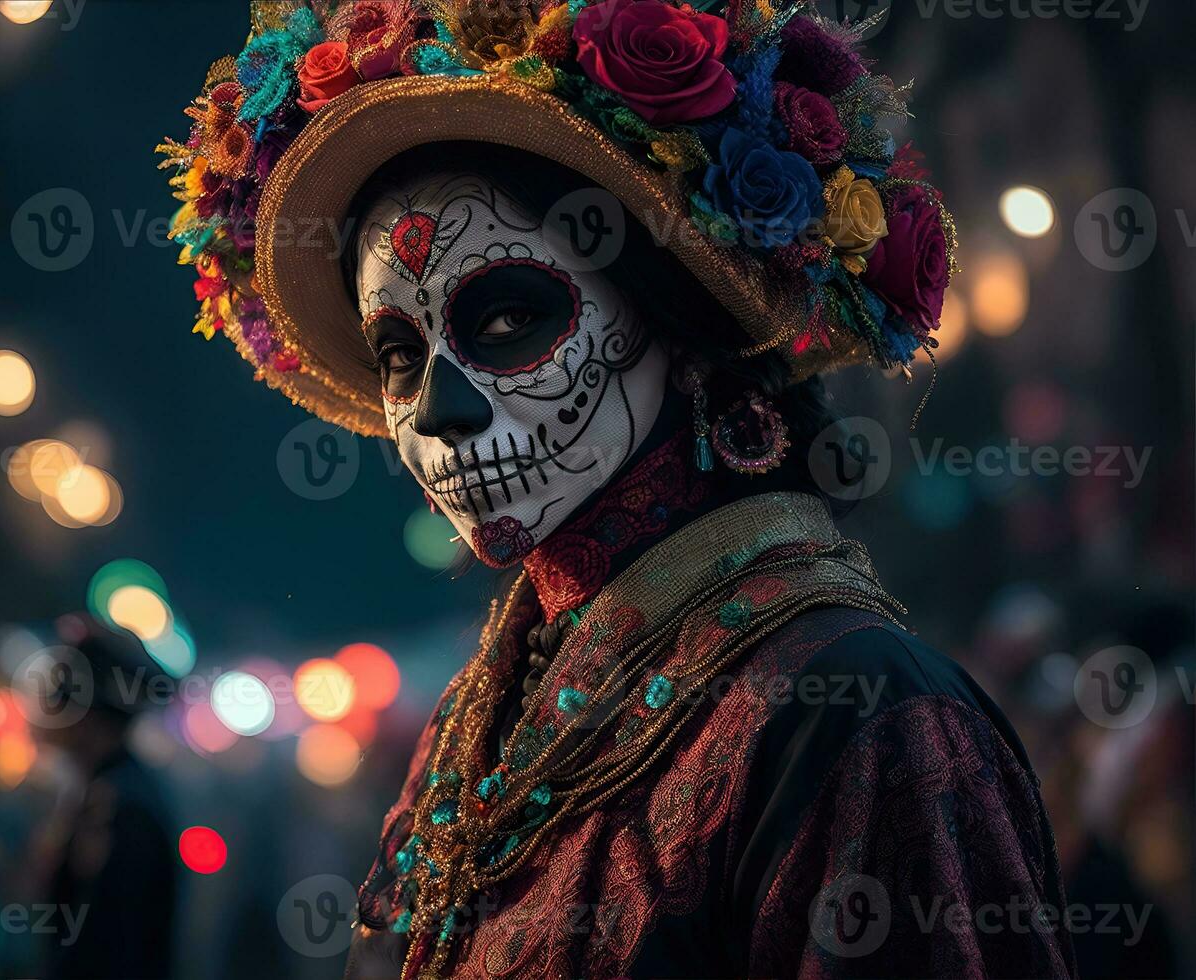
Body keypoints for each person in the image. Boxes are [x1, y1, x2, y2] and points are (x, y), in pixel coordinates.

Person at [160, 2, 1076, 976]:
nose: (437, 410)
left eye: (510, 315)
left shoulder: (857, 712)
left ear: (670, 320)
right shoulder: (468, 735)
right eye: (398, 352)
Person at [25, 614, 177, 980]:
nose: (47, 713)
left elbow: (106, 946)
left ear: (90, 716)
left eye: (61, 699)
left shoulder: (119, 808)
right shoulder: (108, 791)